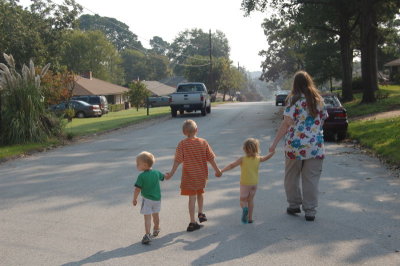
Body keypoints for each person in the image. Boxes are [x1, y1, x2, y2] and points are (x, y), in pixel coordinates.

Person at [269, 71, 328, 222]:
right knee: (311, 179)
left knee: (291, 176)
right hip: (315, 146)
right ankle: (310, 211)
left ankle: (294, 204)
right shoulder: (319, 100)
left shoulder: (293, 100)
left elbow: (285, 124)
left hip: (294, 146)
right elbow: (322, 122)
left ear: (295, 84)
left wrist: (274, 143)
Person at [165, 119, 222, 232]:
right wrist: (217, 170)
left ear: (184, 132)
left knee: (192, 198)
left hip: (189, 177)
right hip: (201, 175)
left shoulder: (182, 144)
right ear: (196, 130)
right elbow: (211, 158)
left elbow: (177, 161)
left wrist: (171, 174)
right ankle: (200, 213)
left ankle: (192, 222)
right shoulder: (203, 142)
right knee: (200, 193)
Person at [220, 138, 275, 224]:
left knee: (243, 200)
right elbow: (266, 158)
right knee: (251, 200)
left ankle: (245, 209)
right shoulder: (258, 158)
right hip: (254, 183)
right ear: (257, 149)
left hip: (245, 183)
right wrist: (272, 153)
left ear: (244, 149)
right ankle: (250, 218)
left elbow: (232, 165)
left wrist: (222, 170)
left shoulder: (243, 159)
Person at [132, 151, 166, 244]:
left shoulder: (141, 176)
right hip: (157, 199)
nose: (136, 165)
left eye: (138, 164)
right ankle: (156, 228)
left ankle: (147, 234)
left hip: (147, 200)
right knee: (156, 215)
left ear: (144, 165)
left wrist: (134, 199)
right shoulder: (156, 173)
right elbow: (164, 177)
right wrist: (169, 174)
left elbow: (137, 189)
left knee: (147, 218)